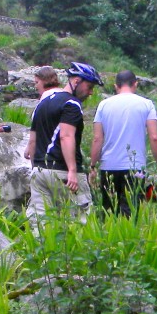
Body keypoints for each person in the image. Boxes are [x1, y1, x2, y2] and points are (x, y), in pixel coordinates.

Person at [25, 61, 103, 227]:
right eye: (89, 87)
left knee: (41, 223)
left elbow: (32, 141)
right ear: (76, 81)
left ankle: (40, 253)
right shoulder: (71, 104)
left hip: (39, 171)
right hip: (62, 171)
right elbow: (66, 136)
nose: (90, 92)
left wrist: (36, 168)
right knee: (81, 221)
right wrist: (73, 171)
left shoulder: (42, 103)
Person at [89, 69, 157, 217]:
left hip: (108, 166)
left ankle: (108, 239)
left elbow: (97, 139)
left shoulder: (103, 105)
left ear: (115, 86)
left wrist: (92, 166)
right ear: (135, 84)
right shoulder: (146, 104)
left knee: (109, 212)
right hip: (135, 168)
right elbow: (154, 137)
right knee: (130, 214)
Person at [23, 65, 62, 162]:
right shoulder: (66, 97)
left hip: (45, 157)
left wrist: (33, 163)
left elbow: (35, 136)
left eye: (37, 82)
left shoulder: (44, 102)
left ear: (45, 81)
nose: (36, 86)